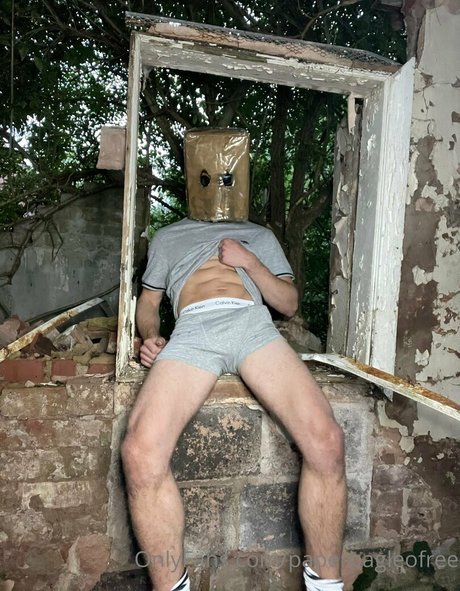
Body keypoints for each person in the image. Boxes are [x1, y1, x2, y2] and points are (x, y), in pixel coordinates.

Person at [121, 129, 347, 591]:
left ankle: (326, 585)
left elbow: (287, 304)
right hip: (193, 331)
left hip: (252, 325)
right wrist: (151, 335)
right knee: (140, 453)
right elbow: (149, 303)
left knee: (327, 443)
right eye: (206, 176)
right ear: (192, 177)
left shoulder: (258, 236)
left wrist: (248, 261)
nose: (217, 182)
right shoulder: (169, 237)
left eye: (226, 176)